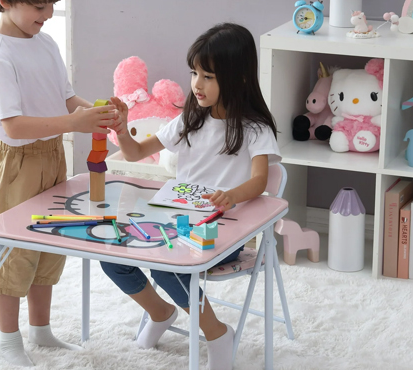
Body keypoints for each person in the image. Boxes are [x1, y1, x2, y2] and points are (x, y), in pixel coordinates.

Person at [102, 23, 281, 370]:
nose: (197, 83)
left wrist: (231, 195)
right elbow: (137, 152)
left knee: (170, 267)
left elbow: (260, 181)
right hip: (175, 220)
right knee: (111, 252)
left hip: (222, 231)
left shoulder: (254, 127)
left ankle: (216, 334)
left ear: (238, 78)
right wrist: (122, 129)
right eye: (194, 73)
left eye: (209, 76)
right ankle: (160, 311)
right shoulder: (190, 119)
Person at [0, 0, 120, 366]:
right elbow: (12, 125)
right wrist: (75, 123)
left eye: (52, 5)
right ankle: (8, 340)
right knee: (15, 251)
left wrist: (99, 114)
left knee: (51, 241)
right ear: (7, 2)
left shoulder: (45, 43)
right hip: (18, 162)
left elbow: (67, 100)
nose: (47, 14)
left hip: (54, 152)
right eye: (39, 5)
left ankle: (40, 328)